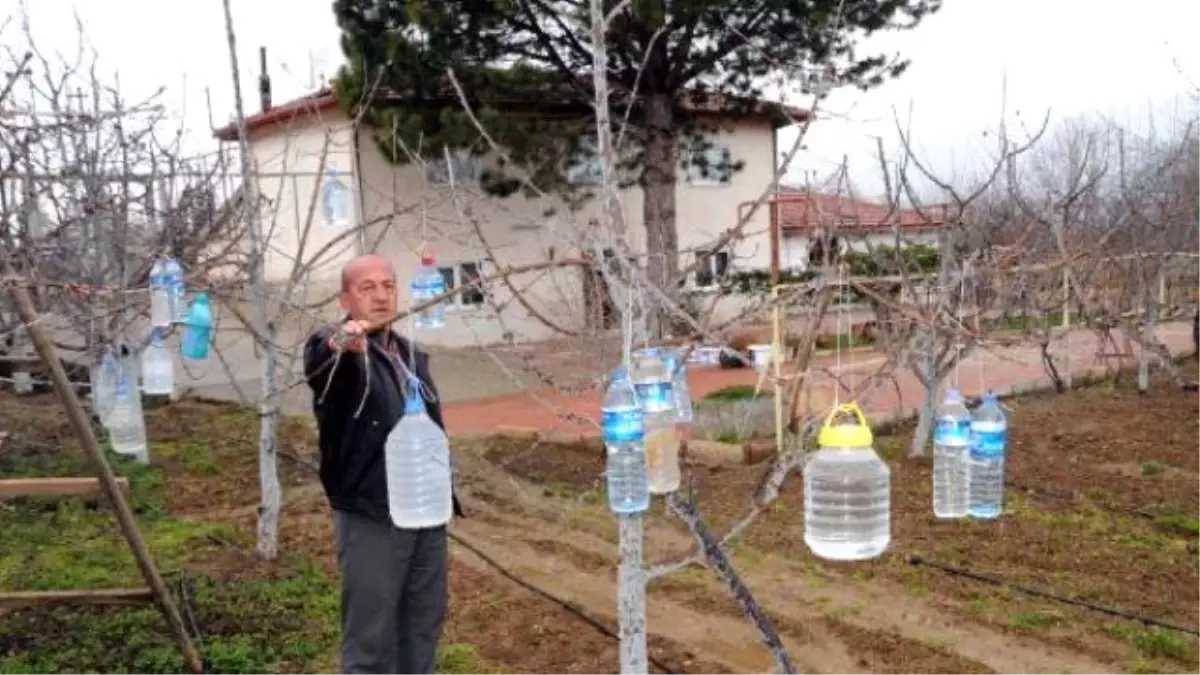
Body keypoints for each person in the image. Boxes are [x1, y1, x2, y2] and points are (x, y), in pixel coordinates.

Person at [303, 253, 463, 675]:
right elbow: (323, 356)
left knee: (421, 627)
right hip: (373, 515)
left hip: (425, 514)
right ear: (345, 298)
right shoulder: (346, 352)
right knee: (371, 639)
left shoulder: (409, 356)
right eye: (366, 287)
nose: (380, 296)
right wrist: (342, 342)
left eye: (388, 286)